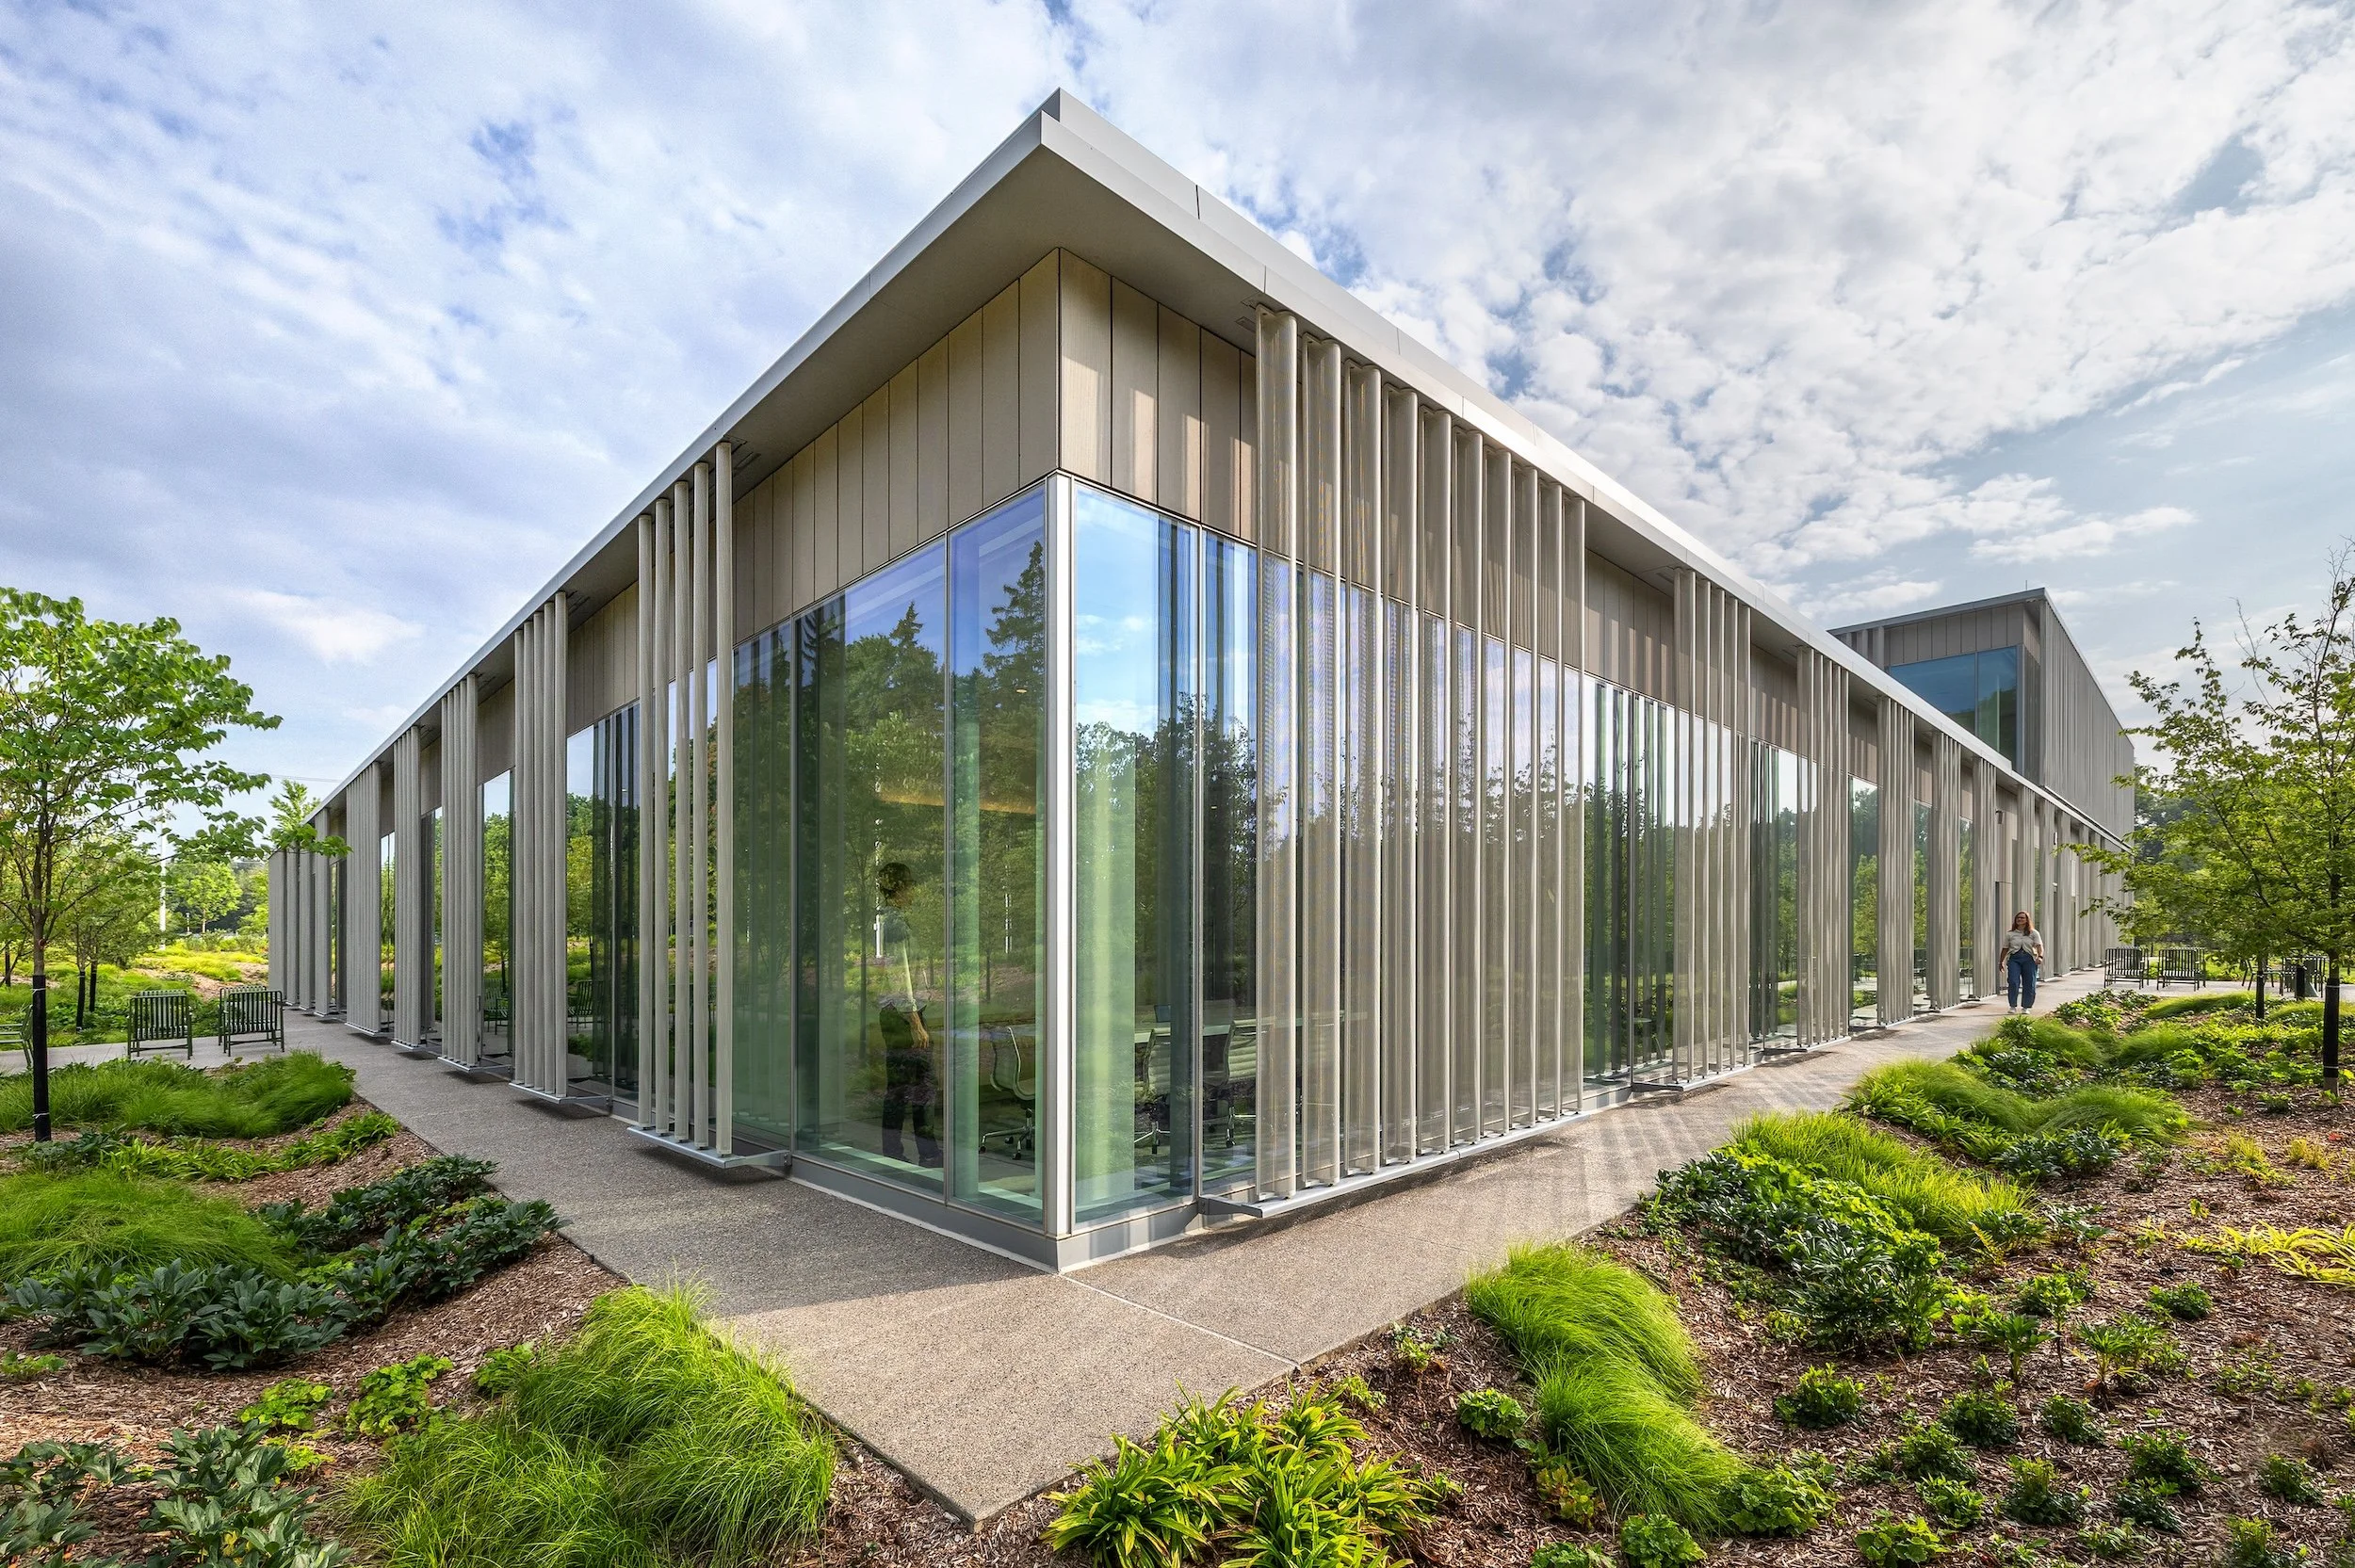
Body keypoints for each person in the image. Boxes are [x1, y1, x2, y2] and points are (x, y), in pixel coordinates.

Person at [1999, 911, 2044, 1012]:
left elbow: (2039, 946)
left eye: (2022, 918)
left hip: (2029, 959)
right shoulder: (2010, 934)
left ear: (2027, 920)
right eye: (2018, 918)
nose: (2020, 919)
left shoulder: (2033, 933)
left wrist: (2040, 956)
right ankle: (2013, 1006)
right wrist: (2001, 961)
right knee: (2013, 981)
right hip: (2014, 959)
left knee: (2029, 983)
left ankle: (2026, 1006)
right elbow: (2005, 948)